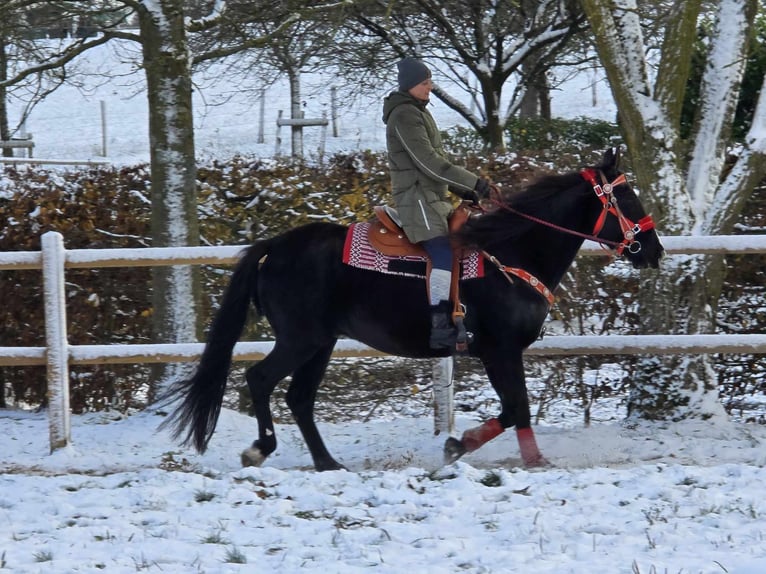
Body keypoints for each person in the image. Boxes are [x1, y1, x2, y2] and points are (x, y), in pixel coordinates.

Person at [382, 56, 493, 350]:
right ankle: (440, 323)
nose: (430, 87)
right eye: (425, 82)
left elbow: (437, 165)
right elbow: (428, 163)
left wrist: (465, 191)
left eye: (430, 81)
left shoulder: (417, 111)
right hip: (416, 199)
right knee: (442, 248)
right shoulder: (405, 115)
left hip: (432, 197)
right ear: (410, 86)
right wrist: (474, 183)